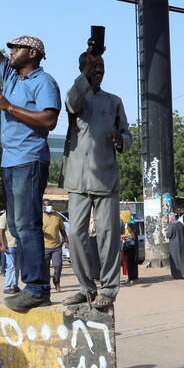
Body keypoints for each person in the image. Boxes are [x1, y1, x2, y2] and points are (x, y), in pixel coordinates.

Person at [0, 0, 61, 312]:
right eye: (10, 48)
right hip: (10, 162)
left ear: (33, 53)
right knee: (16, 226)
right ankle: (32, 284)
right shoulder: (10, 75)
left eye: (16, 48)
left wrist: (9, 106)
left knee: (27, 224)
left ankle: (38, 287)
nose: (9, 52)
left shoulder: (44, 82)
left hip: (30, 159)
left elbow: (49, 120)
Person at [59, 45, 131, 310]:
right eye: (93, 68)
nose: (99, 72)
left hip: (106, 178)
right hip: (77, 179)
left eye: (101, 68)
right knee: (75, 234)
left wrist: (120, 139)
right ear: (83, 69)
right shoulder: (77, 96)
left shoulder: (114, 101)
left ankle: (109, 289)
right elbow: (71, 102)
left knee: (108, 234)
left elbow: (128, 135)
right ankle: (85, 287)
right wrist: (87, 70)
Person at [42, 200, 68, 293]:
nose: (49, 206)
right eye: (47, 205)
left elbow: (62, 229)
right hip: (44, 246)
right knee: (45, 267)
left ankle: (56, 281)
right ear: (43, 207)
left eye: (50, 205)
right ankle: (47, 284)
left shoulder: (57, 216)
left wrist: (66, 241)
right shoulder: (40, 217)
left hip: (56, 245)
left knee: (58, 265)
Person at [0, 211, 19, 294]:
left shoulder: (16, 214)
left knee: (16, 267)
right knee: (11, 266)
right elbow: (1, 231)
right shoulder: (4, 217)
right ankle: (7, 287)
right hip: (9, 245)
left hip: (17, 244)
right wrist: (3, 245)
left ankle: (15, 285)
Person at [166, 213, 184, 279]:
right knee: (181, 258)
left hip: (173, 245)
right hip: (181, 243)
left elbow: (168, 235)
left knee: (174, 259)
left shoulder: (171, 225)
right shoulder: (180, 224)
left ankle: (178, 274)